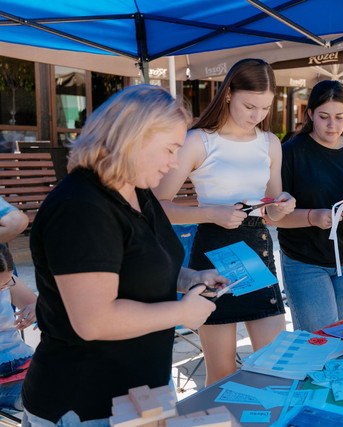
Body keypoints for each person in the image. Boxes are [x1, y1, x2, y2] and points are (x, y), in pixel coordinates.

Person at [21, 85, 229, 426]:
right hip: (86, 405)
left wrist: (191, 278)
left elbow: (141, 265)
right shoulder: (80, 207)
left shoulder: (137, 190)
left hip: (139, 396)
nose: (175, 163)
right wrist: (181, 311)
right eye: (170, 149)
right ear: (134, 137)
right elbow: (94, 321)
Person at [154, 58, 295, 386]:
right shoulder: (197, 140)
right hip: (213, 253)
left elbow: (270, 211)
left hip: (257, 250)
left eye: (264, 108)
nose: (257, 116)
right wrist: (211, 212)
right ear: (228, 93)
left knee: (276, 368)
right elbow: (157, 207)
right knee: (221, 374)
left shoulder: (270, 143)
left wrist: (282, 206)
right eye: (249, 106)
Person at [274, 80, 343, 333]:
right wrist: (313, 217)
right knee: (319, 341)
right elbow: (275, 216)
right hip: (304, 260)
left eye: (339, 117)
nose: (332, 125)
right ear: (310, 114)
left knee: (341, 337)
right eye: (324, 117)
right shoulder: (290, 152)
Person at [0, 243, 37, 412]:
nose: (4, 289)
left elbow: (41, 306)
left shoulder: (8, 282)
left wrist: (38, 308)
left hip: (22, 364)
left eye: (6, 283)